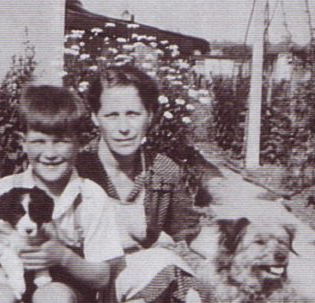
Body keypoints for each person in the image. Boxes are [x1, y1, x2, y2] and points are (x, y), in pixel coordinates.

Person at [0, 84, 124, 303]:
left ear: (79, 143)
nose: (50, 153)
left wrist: (63, 257)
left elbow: (102, 277)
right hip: (5, 281)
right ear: (22, 143)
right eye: (38, 141)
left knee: (53, 296)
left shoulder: (90, 196)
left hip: (64, 290)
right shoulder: (3, 191)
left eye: (61, 141)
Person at [76, 65, 221, 303]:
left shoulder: (163, 170)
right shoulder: (78, 167)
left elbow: (190, 231)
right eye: (112, 115)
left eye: (133, 114)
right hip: (85, 279)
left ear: (150, 115)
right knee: (164, 263)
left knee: (193, 288)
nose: (123, 128)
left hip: (138, 283)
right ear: (95, 117)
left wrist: (245, 252)